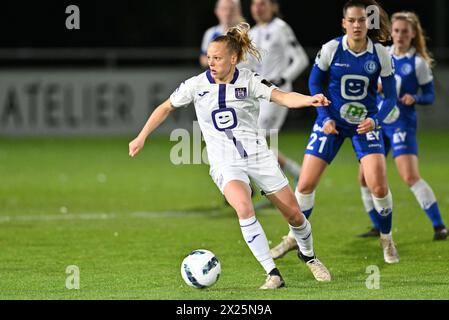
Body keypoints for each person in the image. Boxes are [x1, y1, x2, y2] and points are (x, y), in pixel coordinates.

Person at [129, 23, 332, 289]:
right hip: (225, 163)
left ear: (233, 59)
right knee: (243, 207)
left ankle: (309, 256)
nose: (211, 63)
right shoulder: (196, 85)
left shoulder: (249, 80)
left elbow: (282, 97)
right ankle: (273, 274)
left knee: (295, 216)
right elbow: (165, 107)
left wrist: (309, 100)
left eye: (217, 58)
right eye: (209, 57)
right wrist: (142, 136)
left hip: (259, 157)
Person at [270, 0, 400, 264]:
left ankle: (386, 238)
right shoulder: (331, 49)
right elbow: (315, 81)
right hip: (331, 122)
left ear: (368, 23)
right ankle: (294, 237)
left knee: (378, 184)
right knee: (305, 184)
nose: (356, 25)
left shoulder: (381, 54)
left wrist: (375, 121)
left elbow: (391, 97)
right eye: (351, 20)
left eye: (361, 20)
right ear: (344, 23)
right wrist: (323, 116)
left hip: (365, 124)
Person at [357, 11, 448, 240]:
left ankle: (439, 226)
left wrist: (414, 98)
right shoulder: (382, 53)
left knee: (409, 176)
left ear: (413, 34)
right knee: (364, 178)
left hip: (401, 123)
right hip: (377, 121)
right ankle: (378, 225)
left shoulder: (418, 63)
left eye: (404, 31)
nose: (399, 35)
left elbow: (429, 95)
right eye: (396, 31)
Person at [240, 0, 309, 181]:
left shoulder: (281, 28)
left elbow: (300, 59)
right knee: (258, 144)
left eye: (263, 4)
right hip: (257, 94)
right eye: (255, 4)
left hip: (277, 94)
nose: (258, 8)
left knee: (257, 141)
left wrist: (284, 78)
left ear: (273, 7)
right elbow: (250, 65)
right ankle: (295, 176)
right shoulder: (252, 33)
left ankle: (279, 184)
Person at [199, 0, 244, 68]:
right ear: (217, 11)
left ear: (238, 11)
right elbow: (203, 58)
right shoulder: (210, 33)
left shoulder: (247, 34)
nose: (227, 13)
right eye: (224, 9)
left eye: (231, 9)